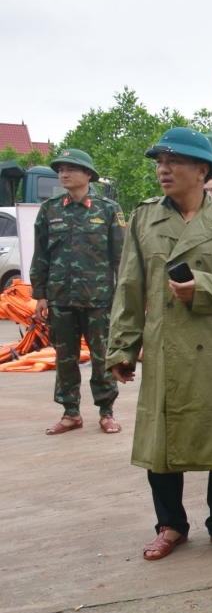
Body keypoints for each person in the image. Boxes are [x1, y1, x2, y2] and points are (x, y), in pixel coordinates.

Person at [107, 127, 212, 560]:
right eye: (160, 162)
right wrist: (123, 347)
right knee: (161, 441)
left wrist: (205, 287)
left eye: (174, 162)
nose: (164, 170)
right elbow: (129, 285)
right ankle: (170, 524)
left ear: (202, 170)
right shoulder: (145, 217)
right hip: (165, 346)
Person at [30, 148, 124, 436]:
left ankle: (106, 412)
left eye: (71, 168)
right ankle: (70, 413)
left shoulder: (108, 210)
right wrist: (40, 295)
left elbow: (120, 257)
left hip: (99, 299)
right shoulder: (50, 209)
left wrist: (124, 297)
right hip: (60, 298)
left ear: (88, 174)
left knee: (102, 356)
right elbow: (41, 255)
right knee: (65, 358)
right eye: (60, 169)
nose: (64, 173)